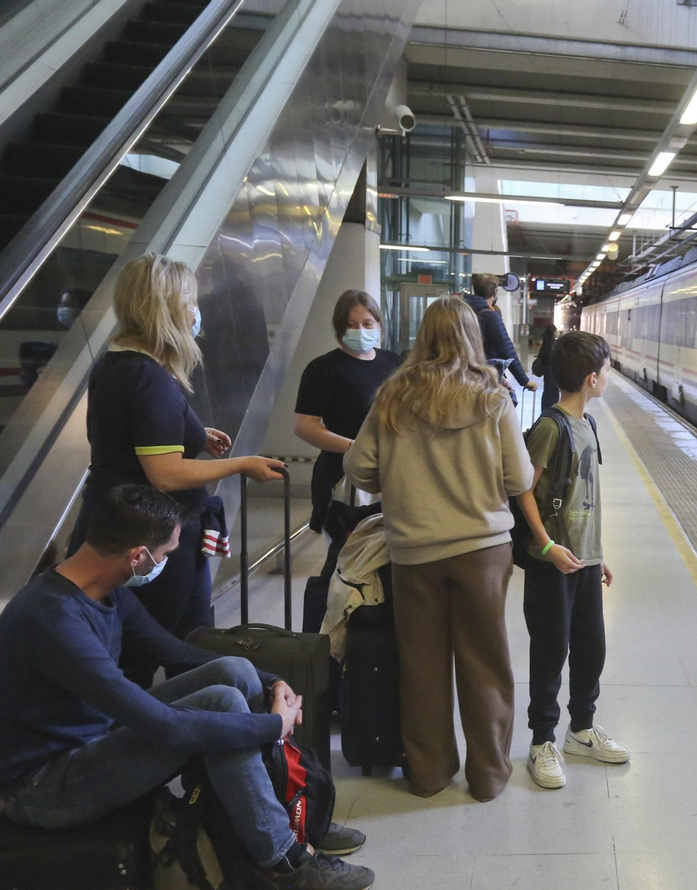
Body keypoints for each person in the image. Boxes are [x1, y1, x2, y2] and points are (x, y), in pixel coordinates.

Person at [0, 484, 373, 890]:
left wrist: (273, 680)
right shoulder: (53, 622)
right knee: (224, 706)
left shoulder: (101, 592)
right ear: (137, 556)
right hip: (44, 787)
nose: (164, 562)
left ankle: (292, 817)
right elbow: (163, 725)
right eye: (164, 554)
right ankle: (283, 863)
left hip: (90, 743)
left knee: (233, 671)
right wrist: (274, 724)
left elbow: (177, 653)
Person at [345, 296, 534, 800]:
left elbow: (358, 468)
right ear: (472, 336)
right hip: (483, 551)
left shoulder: (392, 396)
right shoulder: (493, 396)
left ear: (422, 335)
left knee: (422, 667)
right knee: (486, 664)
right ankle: (489, 776)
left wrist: (402, 477)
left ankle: (428, 775)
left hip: (414, 553)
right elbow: (519, 477)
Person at [70, 253, 284, 683]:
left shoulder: (118, 363)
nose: (195, 309)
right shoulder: (147, 377)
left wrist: (192, 432)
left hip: (125, 525)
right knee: (150, 654)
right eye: (189, 299)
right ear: (164, 307)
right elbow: (164, 474)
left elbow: (134, 439)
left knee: (174, 644)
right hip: (148, 538)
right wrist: (241, 464)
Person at [516, 330, 629, 790]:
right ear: (591, 378)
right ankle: (542, 740)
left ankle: (581, 729)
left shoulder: (590, 425)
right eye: (605, 370)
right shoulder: (551, 426)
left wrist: (595, 556)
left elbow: (587, 498)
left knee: (590, 647)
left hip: (583, 561)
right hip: (551, 564)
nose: (607, 376)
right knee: (550, 651)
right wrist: (545, 545)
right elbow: (522, 488)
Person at [292, 290, 402, 538]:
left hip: (390, 472)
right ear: (339, 328)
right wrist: (354, 447)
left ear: (379, 324)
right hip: (344, 474)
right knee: (347, 558)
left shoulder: (393, 362)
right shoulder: (323, 369)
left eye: (367, 323)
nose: (360, 331)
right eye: (351, 325)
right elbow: (304, 425)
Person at [467, 273, 537, 396]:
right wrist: (524, 381)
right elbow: (506, 349)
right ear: (495, 292)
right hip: (485, 377)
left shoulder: (464, 311)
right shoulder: (490, 316)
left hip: (466, 375)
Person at [531, 322, 561, 412]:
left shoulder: (546, 342)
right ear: (553, 332)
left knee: (547, 393)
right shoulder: (555, 344)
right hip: (553, 374)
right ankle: (550, 413)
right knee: (553, 396)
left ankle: (545, 411)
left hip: (547, 374)